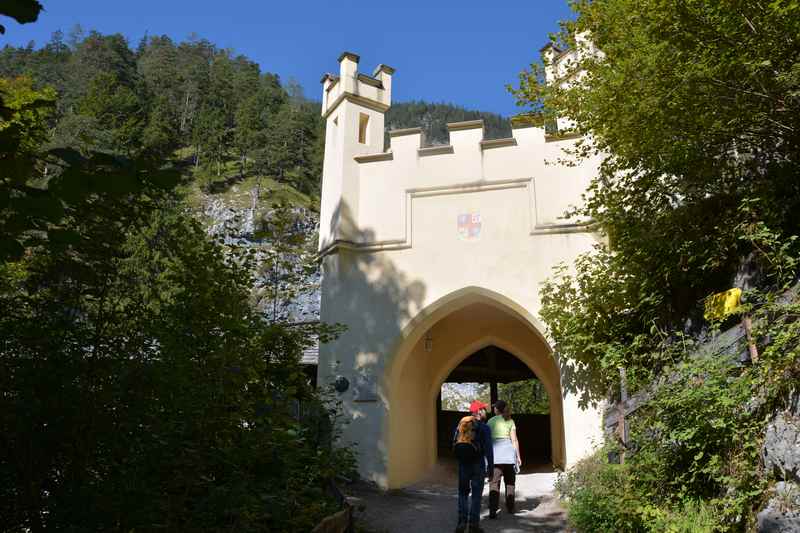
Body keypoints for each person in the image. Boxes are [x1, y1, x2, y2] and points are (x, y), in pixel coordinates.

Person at [452, 400, 493, 533]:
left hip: (463, 464)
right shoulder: (484, 427)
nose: (486, 412)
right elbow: (489, 450)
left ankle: (461, 523)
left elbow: (454, 442)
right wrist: (491, 469)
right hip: (478, 464)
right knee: (476, 495)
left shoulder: (462, 425)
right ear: (479, 412)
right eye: (484, 410)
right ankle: (473, 526)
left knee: (463, 493)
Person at [487, 400, 522, 518]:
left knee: (494, 483)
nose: (493, 409)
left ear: (497, 409)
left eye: (494, 408)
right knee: (510, 482)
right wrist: (518, 456)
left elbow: (487, 440)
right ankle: (511, 508)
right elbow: (514, 440)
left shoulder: (491, 421)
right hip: (508, 455)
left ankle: (492, 510)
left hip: (496, 456)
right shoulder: (510, 420)